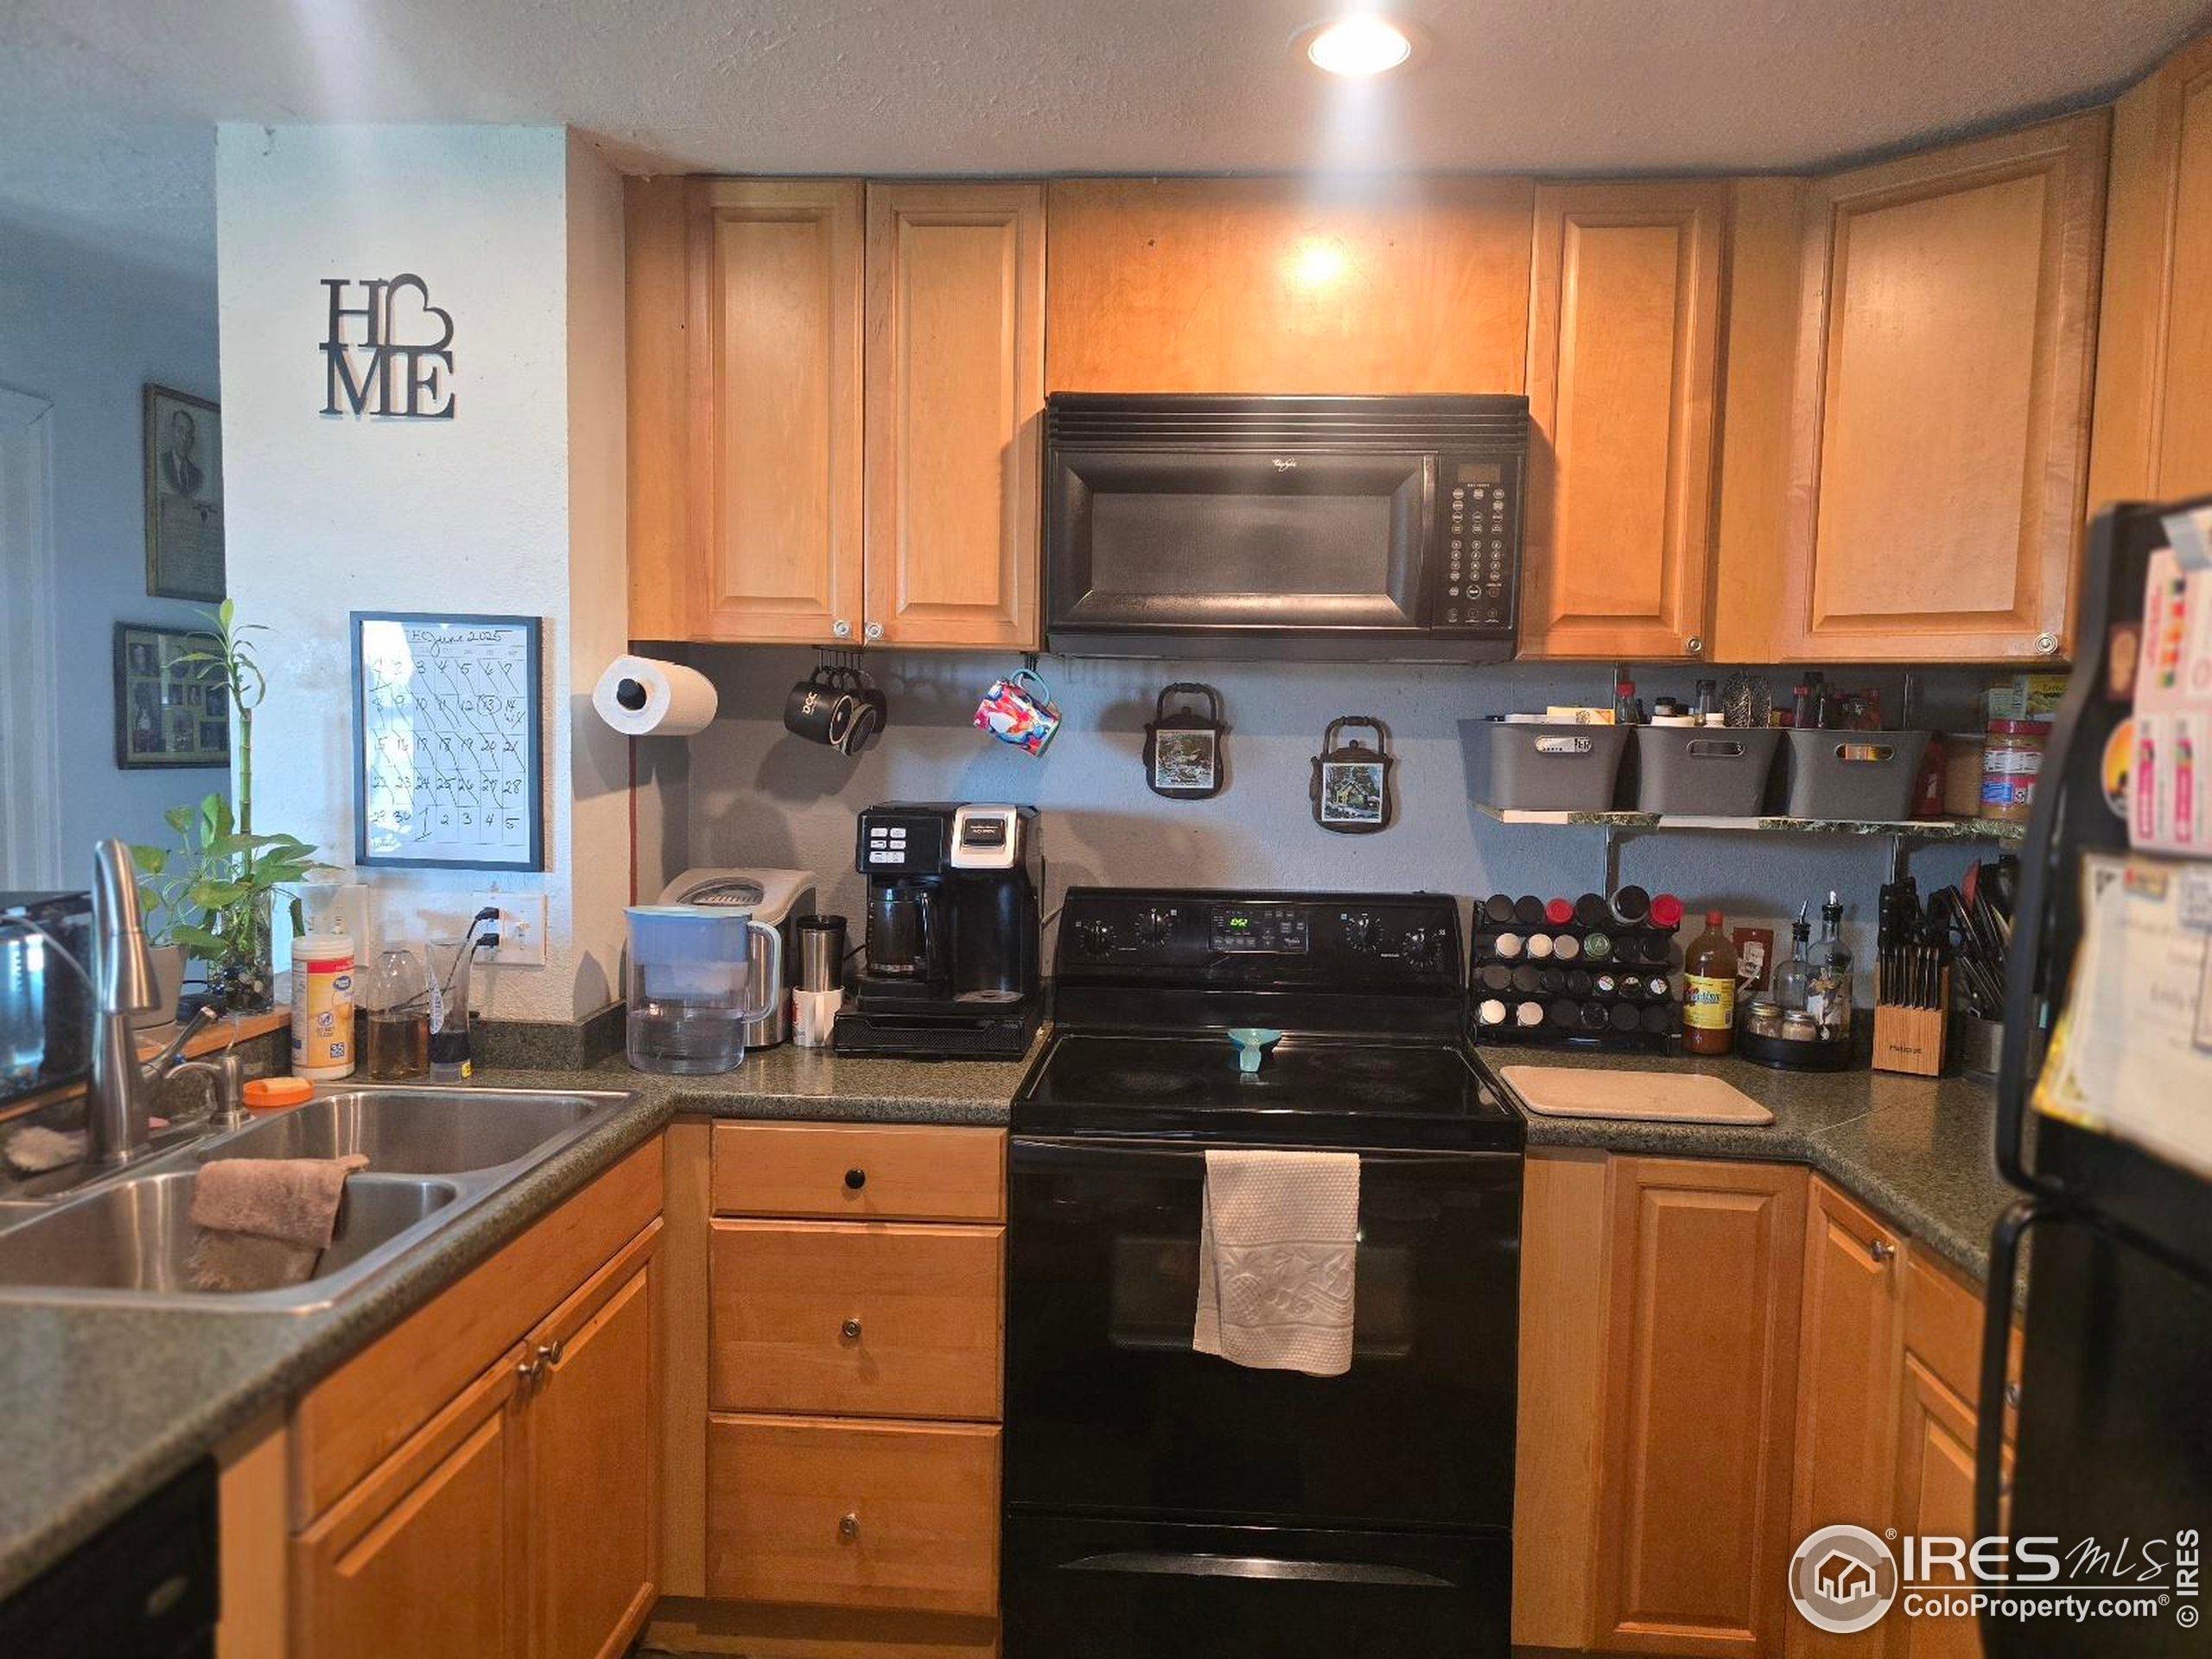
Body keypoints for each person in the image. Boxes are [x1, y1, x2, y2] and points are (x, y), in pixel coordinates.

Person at [162, 407, 204, 499]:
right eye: (180, 431)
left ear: (192, 441)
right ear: (172, 432)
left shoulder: (197, 475)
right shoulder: (162, 462)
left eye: (188, 434)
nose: (184, 439)